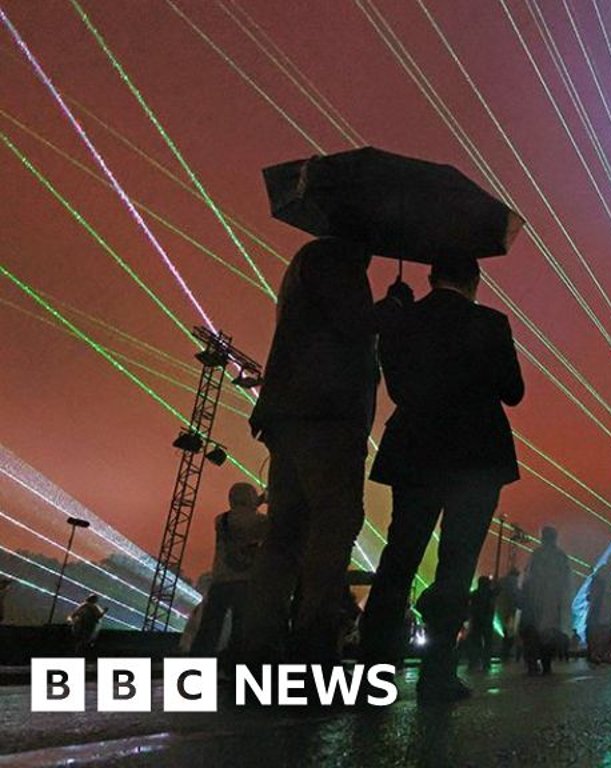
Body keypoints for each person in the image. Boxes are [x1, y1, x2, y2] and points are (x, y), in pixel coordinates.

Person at [360, 256, 524, 702]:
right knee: (458, 563)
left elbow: (395, 387)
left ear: (431, 278)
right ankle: (438, 674)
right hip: (475, 455)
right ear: (475, 281)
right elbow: (513, 390)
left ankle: (372, 669)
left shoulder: (403, 321)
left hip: (416, 450)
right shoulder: (490, 322)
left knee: (399, 557)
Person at [244, 236, 409, 664]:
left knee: (286, 531)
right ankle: (312, 644)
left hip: (293, 414)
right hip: (326, 416)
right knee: (335, 525)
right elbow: (351, 324)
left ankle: (255, 645)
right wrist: (392, 308)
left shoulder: (308, 259)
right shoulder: (336, 259)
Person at [190, 483, 268, 656]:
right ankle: (233, 667)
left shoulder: (221, 520)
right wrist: (265, 499)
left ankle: (197, 664)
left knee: (210, 628)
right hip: (246, 582)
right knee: (240, 629)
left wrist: (260, 500)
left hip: (221, 581)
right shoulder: (262, 521)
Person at [520, 526, 572, 675]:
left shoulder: (537, 554)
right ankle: (546, 663)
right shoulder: (561, 556)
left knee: (534, 632)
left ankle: (532, 664)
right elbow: (566, 580)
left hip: (537, 599)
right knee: (550, 633)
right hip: (553, 600)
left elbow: (528, 576)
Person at [586, 551, 611, 664]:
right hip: (603, 608)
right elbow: (599, 592)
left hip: (605, 608)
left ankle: (603, 653)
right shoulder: (605, 572)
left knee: (606, 632)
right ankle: (601, 653)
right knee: (603, 632)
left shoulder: (605, 572)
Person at [465, 576, 497, 673]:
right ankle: (485, 662)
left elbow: (470, 607)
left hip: (477, 622)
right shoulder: (490, 594)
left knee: (476, 642)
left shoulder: (475, 594)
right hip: (486, 622)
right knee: (486, 643)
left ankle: (474, 661)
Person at [496, 566, 521, 661]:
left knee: (507, 632)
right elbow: (515, 596)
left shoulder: (502, 581)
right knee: (510, 633)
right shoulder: (513, 583)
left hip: (501, 609)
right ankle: (505, 653)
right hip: (510, 611)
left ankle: (504, 653)